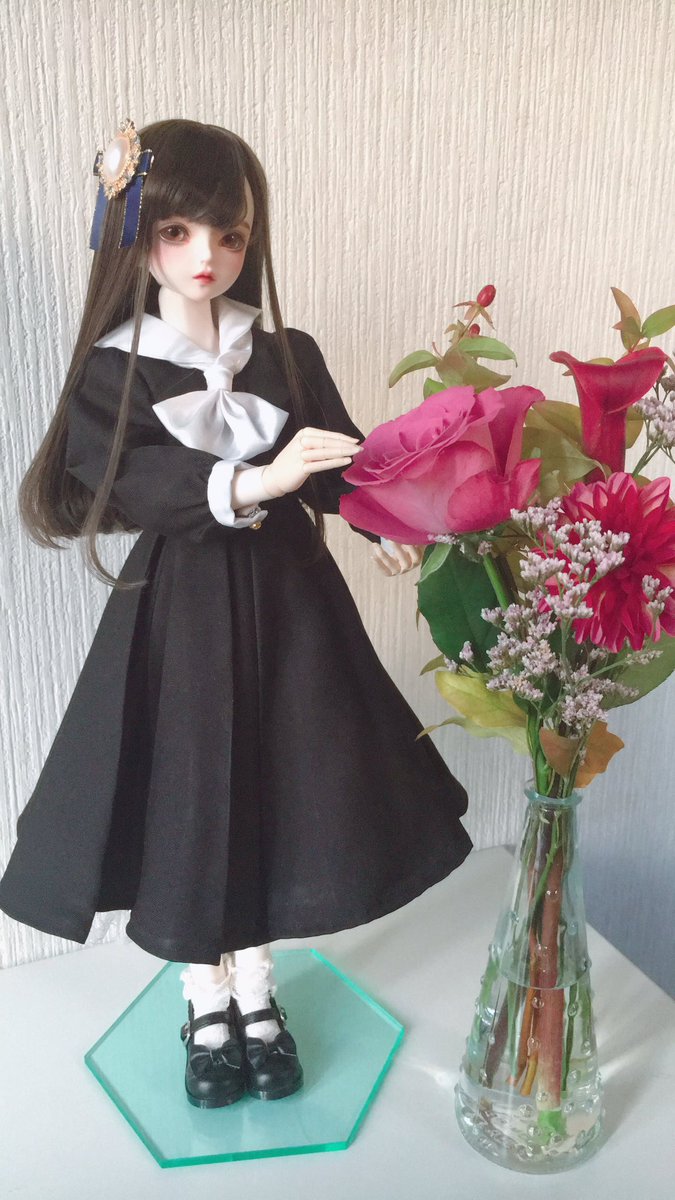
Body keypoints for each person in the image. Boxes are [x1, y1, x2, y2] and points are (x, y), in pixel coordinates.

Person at [0, 118, 473, 1108]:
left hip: (294, 611)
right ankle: (204, 1002)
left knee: (283, 785)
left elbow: (334, 455)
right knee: (192, 798)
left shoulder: (283, 351)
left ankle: (258, 995)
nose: (205, 255)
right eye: (176, 233)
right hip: (184, 617)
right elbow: (125, 480)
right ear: (134, 237)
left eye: (228, 233)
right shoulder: (115, 367)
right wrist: (254, 480)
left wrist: (376, 516)